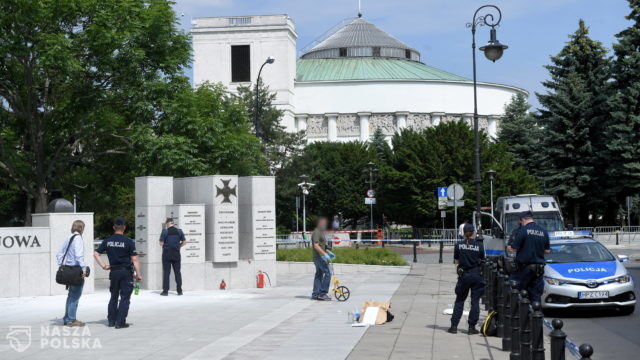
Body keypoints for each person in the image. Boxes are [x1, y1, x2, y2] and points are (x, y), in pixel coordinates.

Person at [93, 218, 142, 329]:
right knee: (125, 297)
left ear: (114, 227)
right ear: (124, 228)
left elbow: (96, 254)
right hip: (126, 272)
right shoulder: (129, 241)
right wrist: (138, 274)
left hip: (114, 272)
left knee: (113, 296)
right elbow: (135, 259)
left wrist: (104, 266)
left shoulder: (108, 241)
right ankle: (120, 322)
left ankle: (111, 321)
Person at [448, 223, 485, 335]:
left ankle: (454, 326)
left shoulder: (458, 245)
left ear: (463, 233)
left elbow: (456, 261)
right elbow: (482, 259)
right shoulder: (479, 245)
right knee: (475, 301)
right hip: (476, 275)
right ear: (473, 233)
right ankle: (471, 327)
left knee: (459, 300)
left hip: (464, 275)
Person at [507, 211, 551, 304]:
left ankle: (518, 315)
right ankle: (536, 316)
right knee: (536, 295)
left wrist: (508, 247)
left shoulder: (523, 230)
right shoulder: (543, 231)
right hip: (539, 269)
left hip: (525, 268)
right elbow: (547, 251)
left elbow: (514, 249)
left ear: (523, 220)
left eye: (520, 221)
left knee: (515, 291)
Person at [56, 220, 88, 327]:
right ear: (81, 228)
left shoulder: (68, 237)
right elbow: (79, 256)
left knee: (70, 296)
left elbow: (59, 254)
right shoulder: (78, 239)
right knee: (75, 296)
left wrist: (62, 265)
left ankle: (67, 318)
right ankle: (71, 319)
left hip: (68, 270)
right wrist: (84, 269)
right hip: (76, 270)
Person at [159, 218, 186, 296]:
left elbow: (161, 243)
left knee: (167, 273)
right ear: (173, 223)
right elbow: (184, 242)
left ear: (167, 224)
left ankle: (165, 291)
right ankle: (179, 291)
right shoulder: (179, 231)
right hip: (176, 254)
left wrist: (166, 246)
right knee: (177, 272)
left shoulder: (165, 231)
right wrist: (178, 246)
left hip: (167, 254)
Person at [311, 216, 333, 301]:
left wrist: (328, 252)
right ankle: (322, 294)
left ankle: (315, 294)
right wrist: (324, 254)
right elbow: (316, 246)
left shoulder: (321, 232)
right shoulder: (316, 232)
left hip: (320, 256)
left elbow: (321, 245)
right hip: (319, 257)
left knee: (319, 275)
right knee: (328, 273)